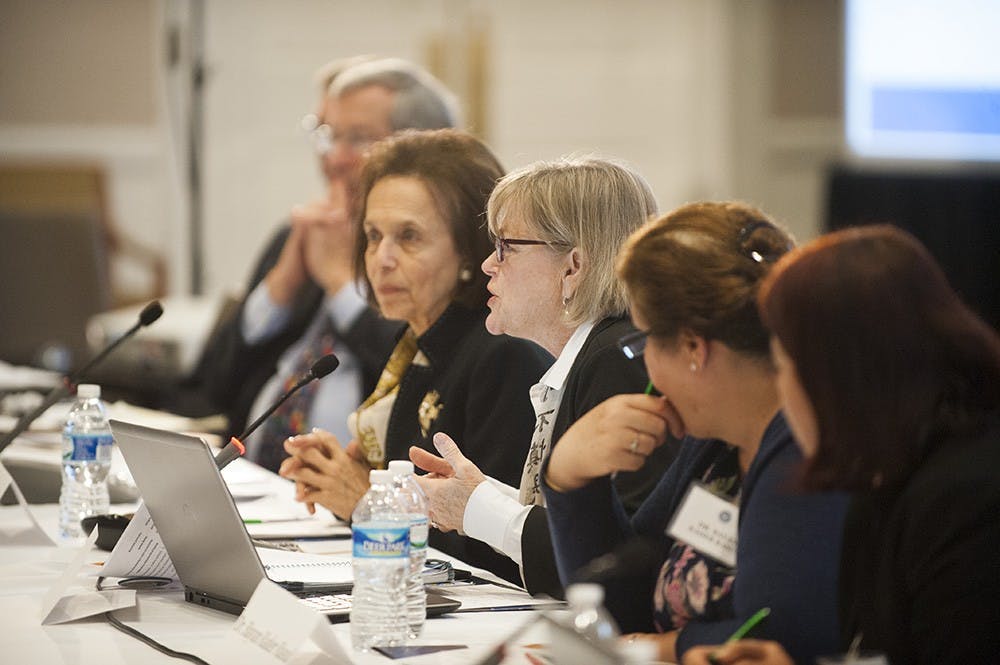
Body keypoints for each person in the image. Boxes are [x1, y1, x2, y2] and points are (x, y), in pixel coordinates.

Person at [543, 202, 849, 664]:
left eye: (644, 340)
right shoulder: (716, 443)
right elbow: (615, 603)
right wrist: (572, 478)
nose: (645, 367)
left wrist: (659, 649)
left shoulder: (801, 446)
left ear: (692, 347)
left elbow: (779, 634)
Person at [683, 225, 1000, 665]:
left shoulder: (966, 502)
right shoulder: (890, 480)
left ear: (834, 378)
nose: (781, 392)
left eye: (782, 366)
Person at [278, 129, 552, 583]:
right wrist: (344, 478)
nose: (381, 258)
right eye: (371, 235)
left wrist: (366, 501)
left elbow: (498, 553)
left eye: (408, 237)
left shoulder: (504, 356)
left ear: (469, 249)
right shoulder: (416, 341)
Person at [406, 157, 680, 598]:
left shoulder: (619, 363)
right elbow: (581, 524)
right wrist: (475, 492)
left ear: (573, 267)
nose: (487, 267)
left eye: (506, 248)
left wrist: (475, 508)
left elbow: (615, 563)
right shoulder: (598, 353)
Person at [193, 57, 460, 471]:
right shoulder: (301, 235)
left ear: (419, 150)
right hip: (250, 479)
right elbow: (214, 384)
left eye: (357, 139)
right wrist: (282, 286)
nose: (333, 158)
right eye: (328, 136)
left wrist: (340, 285)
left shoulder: (440, 255)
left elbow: (424, 368)